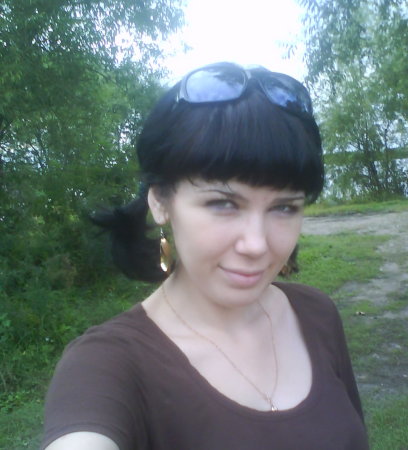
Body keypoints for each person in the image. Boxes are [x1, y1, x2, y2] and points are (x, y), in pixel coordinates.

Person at [41, 62, 369, 450]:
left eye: (284, 207)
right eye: (223, 203)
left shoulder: (317, 315)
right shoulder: (106, 366)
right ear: (160, 201)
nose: (256, 244)